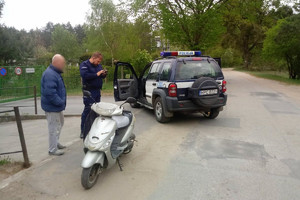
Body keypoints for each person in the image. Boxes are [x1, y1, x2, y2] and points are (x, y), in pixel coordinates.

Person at [41, 54, 67, 156]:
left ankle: (55, 143)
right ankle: (52, 149)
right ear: (57, 63)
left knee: (60, 123)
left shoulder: (55, 73)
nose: (64, 65)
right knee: (53, 127)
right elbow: (50, 93)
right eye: (63, 63)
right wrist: (60, 102)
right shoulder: (50, 74)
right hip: (52, 107)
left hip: (56, 107)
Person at [80, 52, 107, 138]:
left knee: (96, 110)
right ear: (94, 58)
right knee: (88, 110)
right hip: (89, 91)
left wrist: (103, 74)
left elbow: (100, 76)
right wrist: (97, 74)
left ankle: (94, 129)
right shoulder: (85, 65)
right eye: (98, 61)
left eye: (99, 62)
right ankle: (83, 130)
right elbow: (84, 75)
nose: (99, 63)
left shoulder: (98, 66)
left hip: (97, 91)